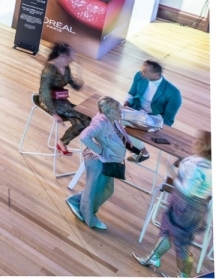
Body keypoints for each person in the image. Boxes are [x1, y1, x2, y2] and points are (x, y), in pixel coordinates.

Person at [137, 131, 212, 276]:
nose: (193, 140)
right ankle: (153, 258)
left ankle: (184, 275)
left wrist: (174, 177)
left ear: (203, 146)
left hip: (186, 206)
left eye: (197, 140)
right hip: (190, 206)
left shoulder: (201, 167)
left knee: (181, 242)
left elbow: (189, 190)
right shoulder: (207, 163)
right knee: (166, 230)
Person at [66, 96, 135, 230]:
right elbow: (84, 136)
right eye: (118, 111)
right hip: (98, 161)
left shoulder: (111, 119)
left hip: (107, 159)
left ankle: (76, 201)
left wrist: (127, 139)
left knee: (106, 189)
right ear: (108, 112)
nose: (121, 113)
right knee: (95, 190)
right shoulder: (100, 123)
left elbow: (118, 128)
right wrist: (99, 150)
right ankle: (89, 217)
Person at [36, 43, 90, 155]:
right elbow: (45, 93)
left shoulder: (66, 67)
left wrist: (79, 71)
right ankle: (93, 146)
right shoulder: (49, 70)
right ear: (61, 54)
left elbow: (75, 86)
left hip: (61, 100)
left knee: (80, 123)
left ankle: (62, 142)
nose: (71, 61)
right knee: (87, 118)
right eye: (69, 58)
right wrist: (54, 114)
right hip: (49, 101)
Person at [124, 60, 182, 162]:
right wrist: (125, 105)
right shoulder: (139, 76)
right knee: (113, 121)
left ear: (156, 75)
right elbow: (131, 93)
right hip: (136, 110)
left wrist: (149, 125)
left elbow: (168, 119)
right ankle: (142, 153)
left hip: (154, 118)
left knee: (124, 130)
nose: (140, 72)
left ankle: (142, 152)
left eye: (144, 71)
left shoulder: (174, 93)